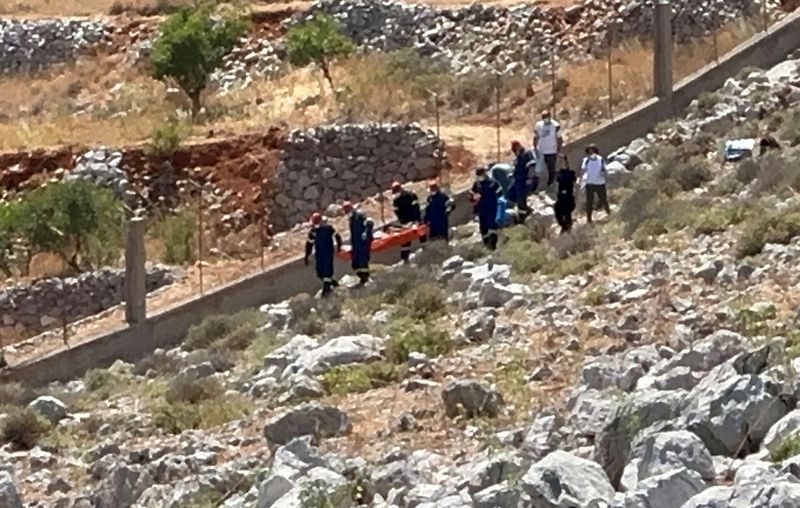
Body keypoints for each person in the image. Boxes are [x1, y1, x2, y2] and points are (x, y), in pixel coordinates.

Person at [304, 212, 342, 297]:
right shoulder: (314, 232)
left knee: (327, 273)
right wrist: (307, 256)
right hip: (320, 255)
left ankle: (326, 292)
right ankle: (335, 284)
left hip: (327, 253)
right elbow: (309, 244)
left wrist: (339, 247)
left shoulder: (327, 228)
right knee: (320, 273)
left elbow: (337, 236)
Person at [471, 166, 503, 250]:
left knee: (492, 226)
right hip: (481, 209)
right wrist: (474, 197)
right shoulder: (477, 184)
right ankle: (486, 245)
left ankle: (493, 245)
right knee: (483, 228)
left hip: (491, 208)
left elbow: (500, 193)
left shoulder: (492, 182)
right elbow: (471, 196)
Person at [342, 201, 373, 286]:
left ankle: (366, 279)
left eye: (347, 211)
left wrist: (366, 232)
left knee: (363, 261)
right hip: (356, 243)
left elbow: (369, 223)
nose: (347, 214)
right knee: (355, 264)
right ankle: (362, 277)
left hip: (363, 242)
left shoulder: (359, 215)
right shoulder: (352, 219)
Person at [391, 181, 423, 263]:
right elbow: (398, 213)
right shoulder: (396, 201)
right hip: (405, 223)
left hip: (414, 221)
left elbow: (416, 208)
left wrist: (415, 221)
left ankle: (425, 250)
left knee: (421, 234)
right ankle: (405, 259)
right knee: (405, 241)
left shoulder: (411, 196)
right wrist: (403, 224)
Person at [579, 144, 611, 224]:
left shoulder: (600, 159)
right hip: (590, 183)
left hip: (600, 183)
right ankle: (589, 219)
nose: (591, 152)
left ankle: (609, 214)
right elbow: (582, 170)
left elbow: (604, 170)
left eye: (592, 150)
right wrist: (580, 180)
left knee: (604, 199)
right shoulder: (586, 160)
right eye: (590, 151)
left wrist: (604, 174)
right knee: (589, 201)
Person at [533, 110, 563, 190]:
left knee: (551, 168)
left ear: (550, 117)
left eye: (546, 117)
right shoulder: (538, 125)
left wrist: (559, 150)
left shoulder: (555, 126)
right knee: (538, 169)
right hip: (541, 150)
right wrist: (535, 147)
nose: (545, 119)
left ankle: (550, 184)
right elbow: (536, 136)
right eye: (543, 117)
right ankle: (536, 186)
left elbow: (559, 138)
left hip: (552, 151)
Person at [510, 140, 536, 218]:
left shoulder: (527, 154)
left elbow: (532, 166)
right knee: (513, 195)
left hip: (525, 179)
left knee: (522, 197)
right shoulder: (518, 156)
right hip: (518, 180)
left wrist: (530, 177)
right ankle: (521, 211)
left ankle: (523, 214)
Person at [553, 153, 577, 234]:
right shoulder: (559, 173)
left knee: (567, 211)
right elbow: (556, 182)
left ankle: (568, 225)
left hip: (568, 195)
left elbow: (573, 182)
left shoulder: (571, 173)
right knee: (557, 211)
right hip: (560, 196)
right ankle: (563, 225)